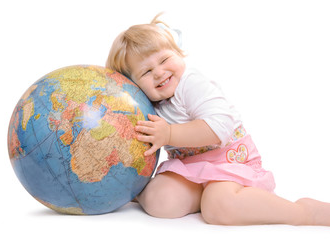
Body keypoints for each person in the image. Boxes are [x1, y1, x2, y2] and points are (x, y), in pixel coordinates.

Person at [106, 14, 330, 226]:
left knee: (218, 206)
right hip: (189, 169)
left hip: (229, 162)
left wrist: (170, 134)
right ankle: (185, 195)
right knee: (161, 201)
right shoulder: (147, 105)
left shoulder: (190, 84)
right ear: (132, 84)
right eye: (146, 72)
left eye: (165, 59)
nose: (159, 72)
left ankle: (303, 212)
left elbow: (219, 127)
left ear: (178, 53)